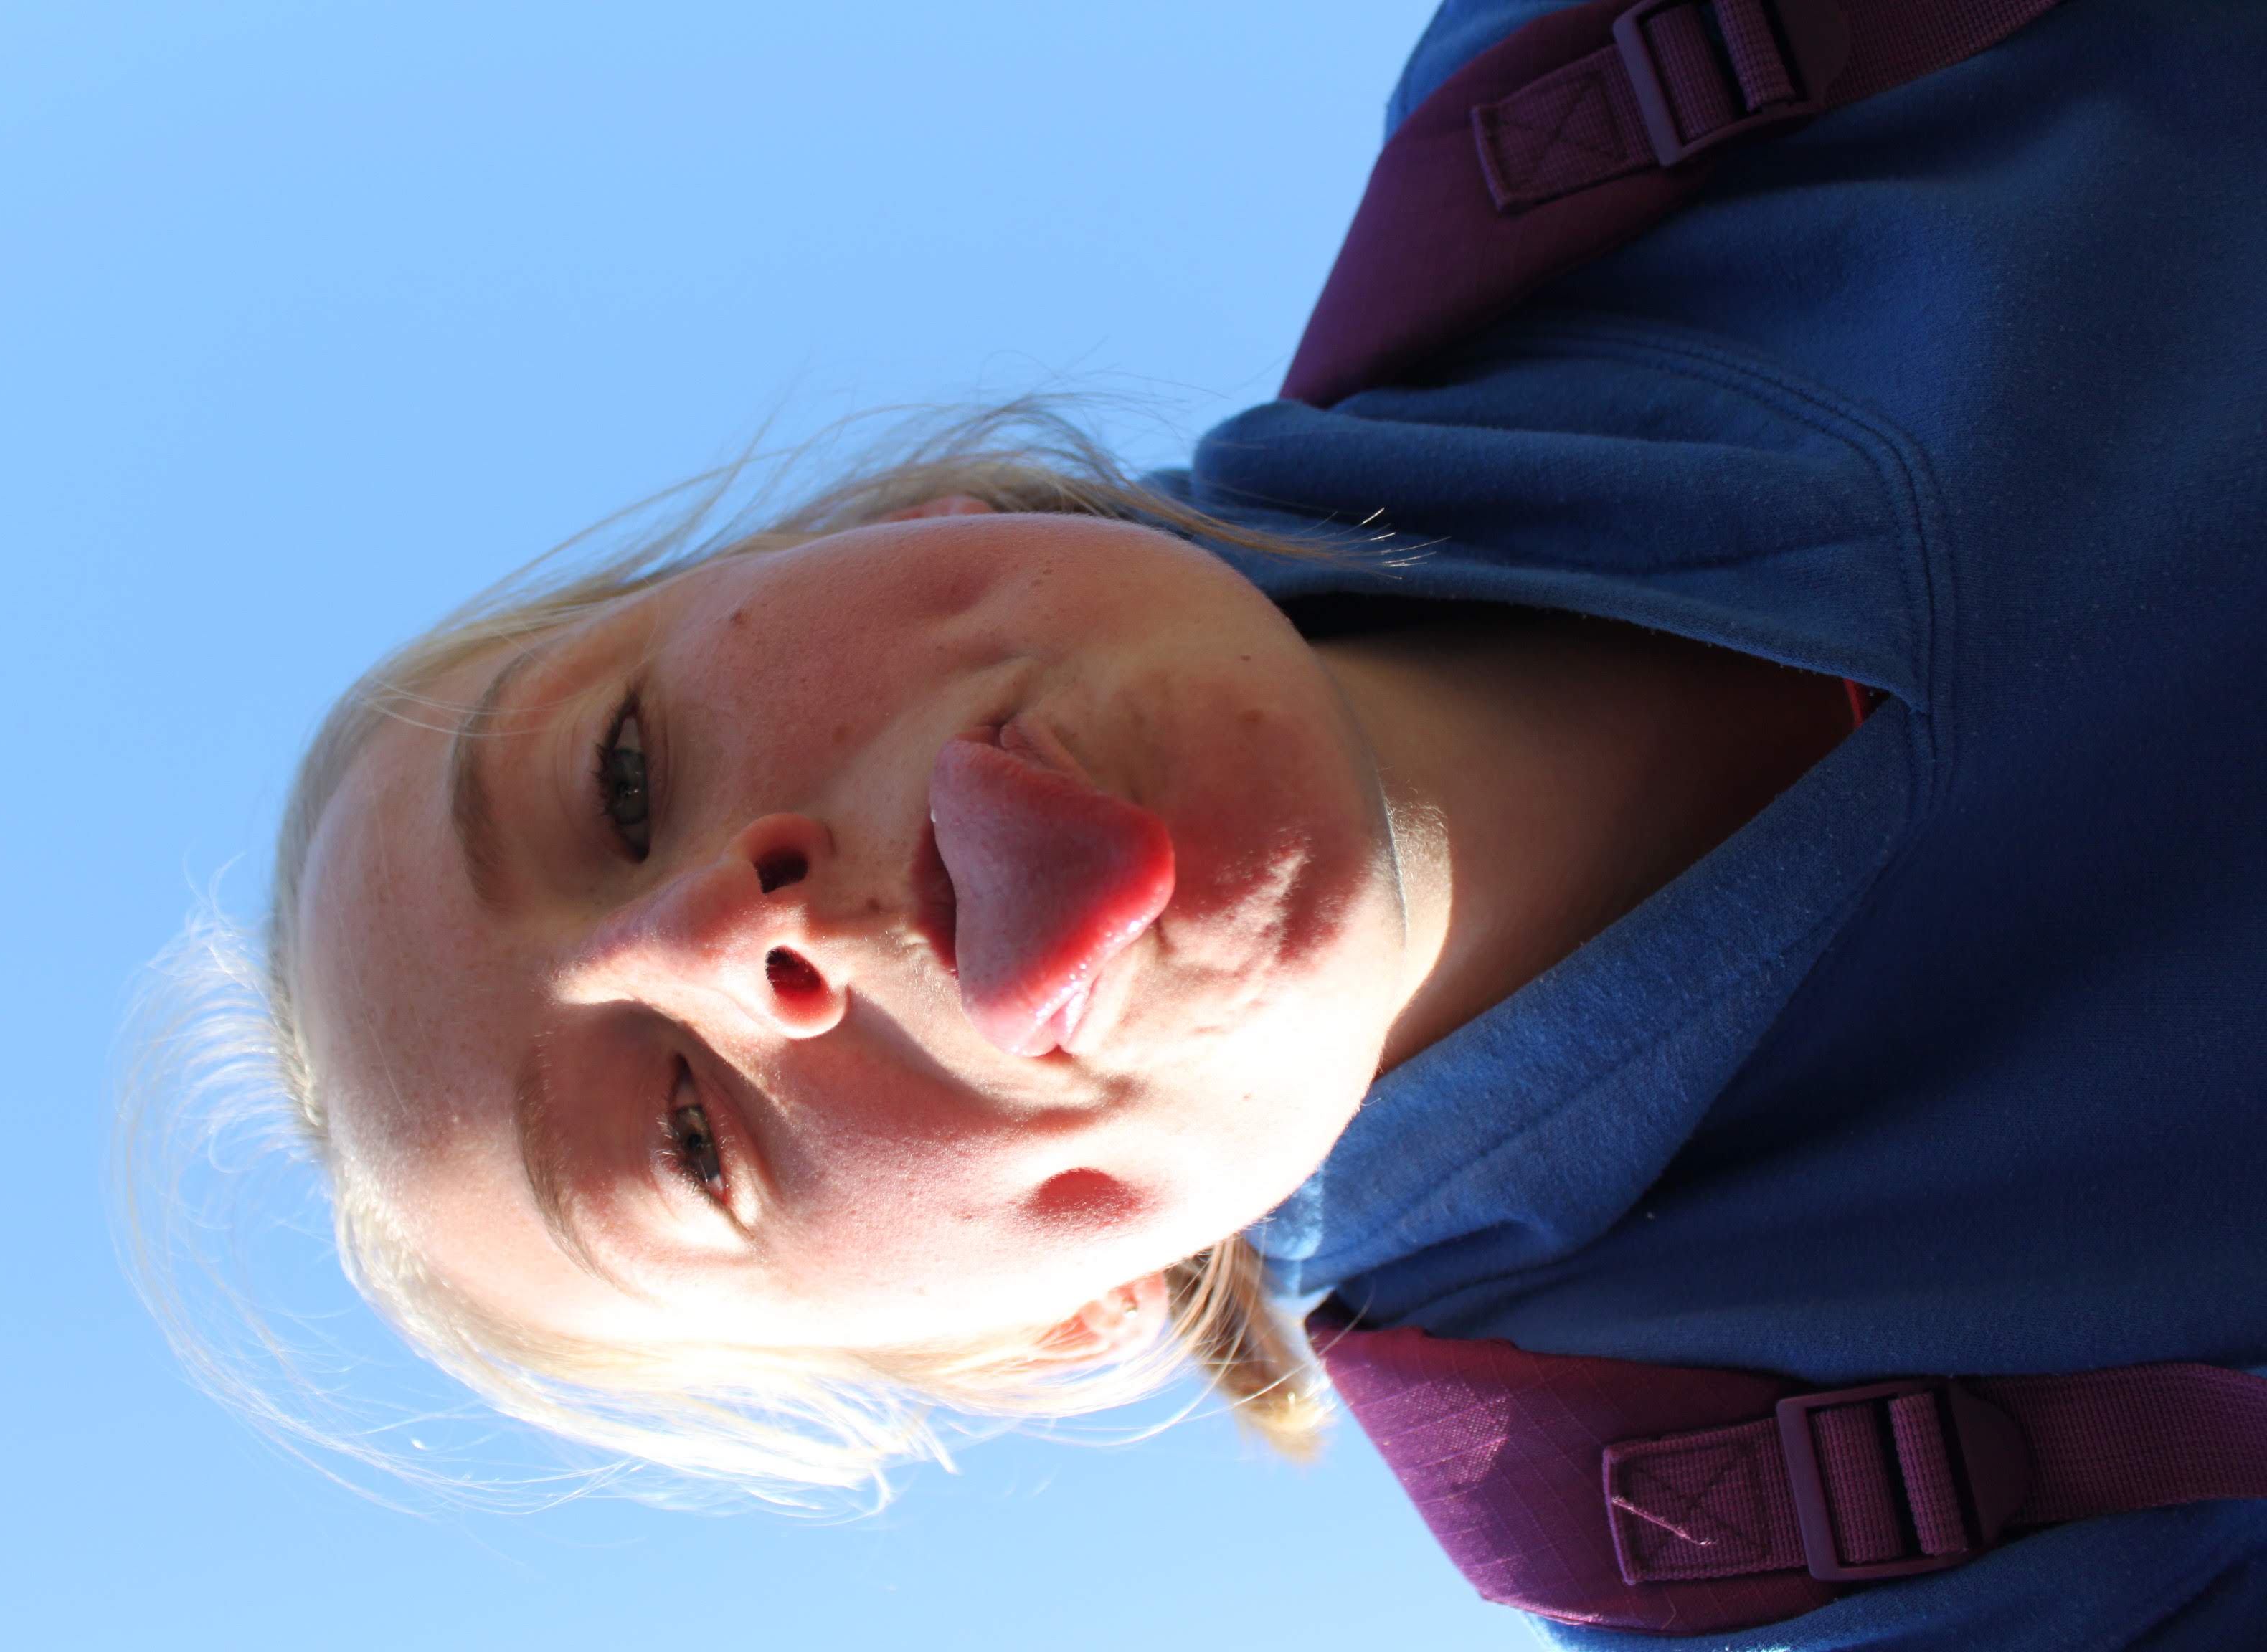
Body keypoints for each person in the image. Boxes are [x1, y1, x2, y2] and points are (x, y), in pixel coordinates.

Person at [120, 0, 2267, 1643]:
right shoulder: (1875, 1564)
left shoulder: (1650, 97)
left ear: (899, 525)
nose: (714, 933)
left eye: (615, 781)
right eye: (683, 1132)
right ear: (1057, 1325)